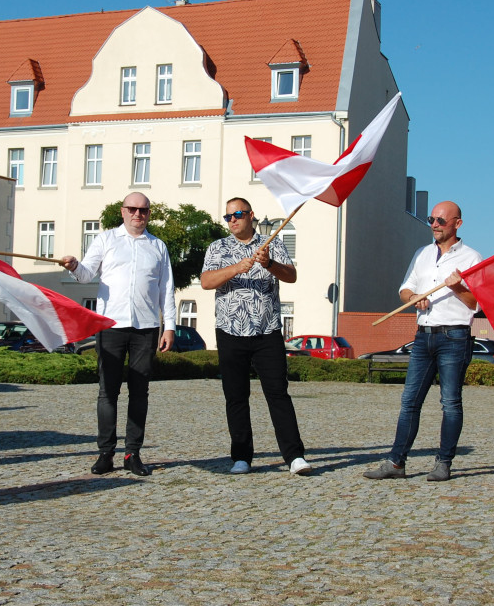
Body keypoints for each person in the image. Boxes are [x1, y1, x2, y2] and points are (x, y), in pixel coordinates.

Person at [364, 201, 481, 482]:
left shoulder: (472, 259)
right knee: (409, 402)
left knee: (450, 402)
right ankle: (396, 463)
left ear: (457, 224)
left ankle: (444, 462)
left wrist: (457, 287)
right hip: (423, 335)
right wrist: (414, 299)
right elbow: (405, 289)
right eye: (432, 219)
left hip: (454, 336)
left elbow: (476, 303)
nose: (435, 225)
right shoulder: (422, 254)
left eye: (441, 220)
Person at [62, 192, 176, 476]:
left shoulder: (158, 246)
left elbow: (167, 289)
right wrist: (74, 266)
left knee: (140, 392)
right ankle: (105, 453)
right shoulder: (105, 240)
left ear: (149, 214)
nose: (138, 214)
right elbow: (87, 274)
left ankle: (133, 453)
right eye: (133, 209)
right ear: (122, 211)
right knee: (108, 391)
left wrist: (170, 326)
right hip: (111, 326)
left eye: (144, 210)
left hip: (146, 327)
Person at [200, 197, 311, 476]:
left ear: (251, 215)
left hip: (267, 331)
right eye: (227, 217)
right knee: (236, 396)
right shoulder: (218, 247)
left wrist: (270, 263)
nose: (232, 220)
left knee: (277, 394)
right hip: (230, 331)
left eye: (237, 214)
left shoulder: (271, 243)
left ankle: (294, 456)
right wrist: (237, 268)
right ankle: (241, 457)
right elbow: (206, 281)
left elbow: (291, 276)